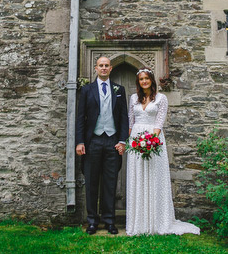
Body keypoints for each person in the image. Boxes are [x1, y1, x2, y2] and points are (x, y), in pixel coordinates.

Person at [126, 67, 200, 236]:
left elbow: (159, 122)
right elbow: (131, 122)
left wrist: (150, 142)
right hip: (136, 140)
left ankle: (157, 220)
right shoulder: (133, 99)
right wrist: (133, 142)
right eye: (141, 79)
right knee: (137, 176)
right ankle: (139, 223)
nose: (144, 81)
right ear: (138, 82)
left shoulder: (161, 98)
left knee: (154, 177)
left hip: (153, 139)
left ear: (151, 80)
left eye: (146, 78)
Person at [75, 56, 129, 235]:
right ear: (96, 68)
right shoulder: (87, 90)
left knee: (110, 182)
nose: (104, 68)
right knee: (91, 182)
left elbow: (123, 118)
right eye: (101, 66)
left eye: (107, 66)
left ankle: (109, 221)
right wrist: (80, 141)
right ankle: (92, 221)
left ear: (111, 69)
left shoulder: (119, 90)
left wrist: (122, 141)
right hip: (93, 141)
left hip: (112, 141)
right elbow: (80, 118)